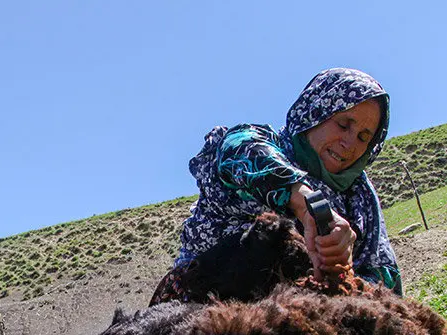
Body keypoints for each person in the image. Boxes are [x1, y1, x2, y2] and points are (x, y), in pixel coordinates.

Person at [151, 67, 401, 304]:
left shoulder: (360, 199)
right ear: (315, 113)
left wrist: (343, 268)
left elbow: (383, 284)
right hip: (203, 306)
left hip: (299, 321)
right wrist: (304, 202)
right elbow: (237, 148)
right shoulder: (260, 147)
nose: (349, 143)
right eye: (343, 124)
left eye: (363, 138)